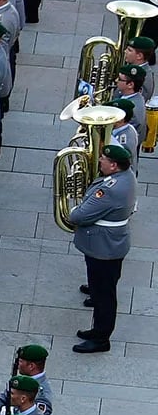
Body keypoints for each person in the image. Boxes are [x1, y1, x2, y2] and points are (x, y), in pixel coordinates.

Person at [68, 143, 134, 353]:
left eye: (103, 160)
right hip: (107, 243)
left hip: (104, 246)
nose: (99, 161)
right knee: (100, 289)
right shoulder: (124, 176)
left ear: (114, 166)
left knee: (105, 296)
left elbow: (78, 216)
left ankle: (101, 338)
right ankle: (97, 329)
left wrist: (77, 208)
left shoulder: (110, 189)